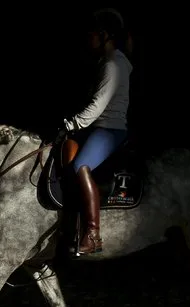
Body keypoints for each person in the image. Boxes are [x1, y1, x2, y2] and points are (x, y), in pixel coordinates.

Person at [54, 8, 134, 256]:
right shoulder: (107, 62)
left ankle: (92, 235)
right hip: (99, 128)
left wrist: (70, 124)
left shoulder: (113, 65)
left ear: (105, 35)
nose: (89, 39)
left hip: (109, 130)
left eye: (92, 34)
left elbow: (97, 105)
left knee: (81, 166)